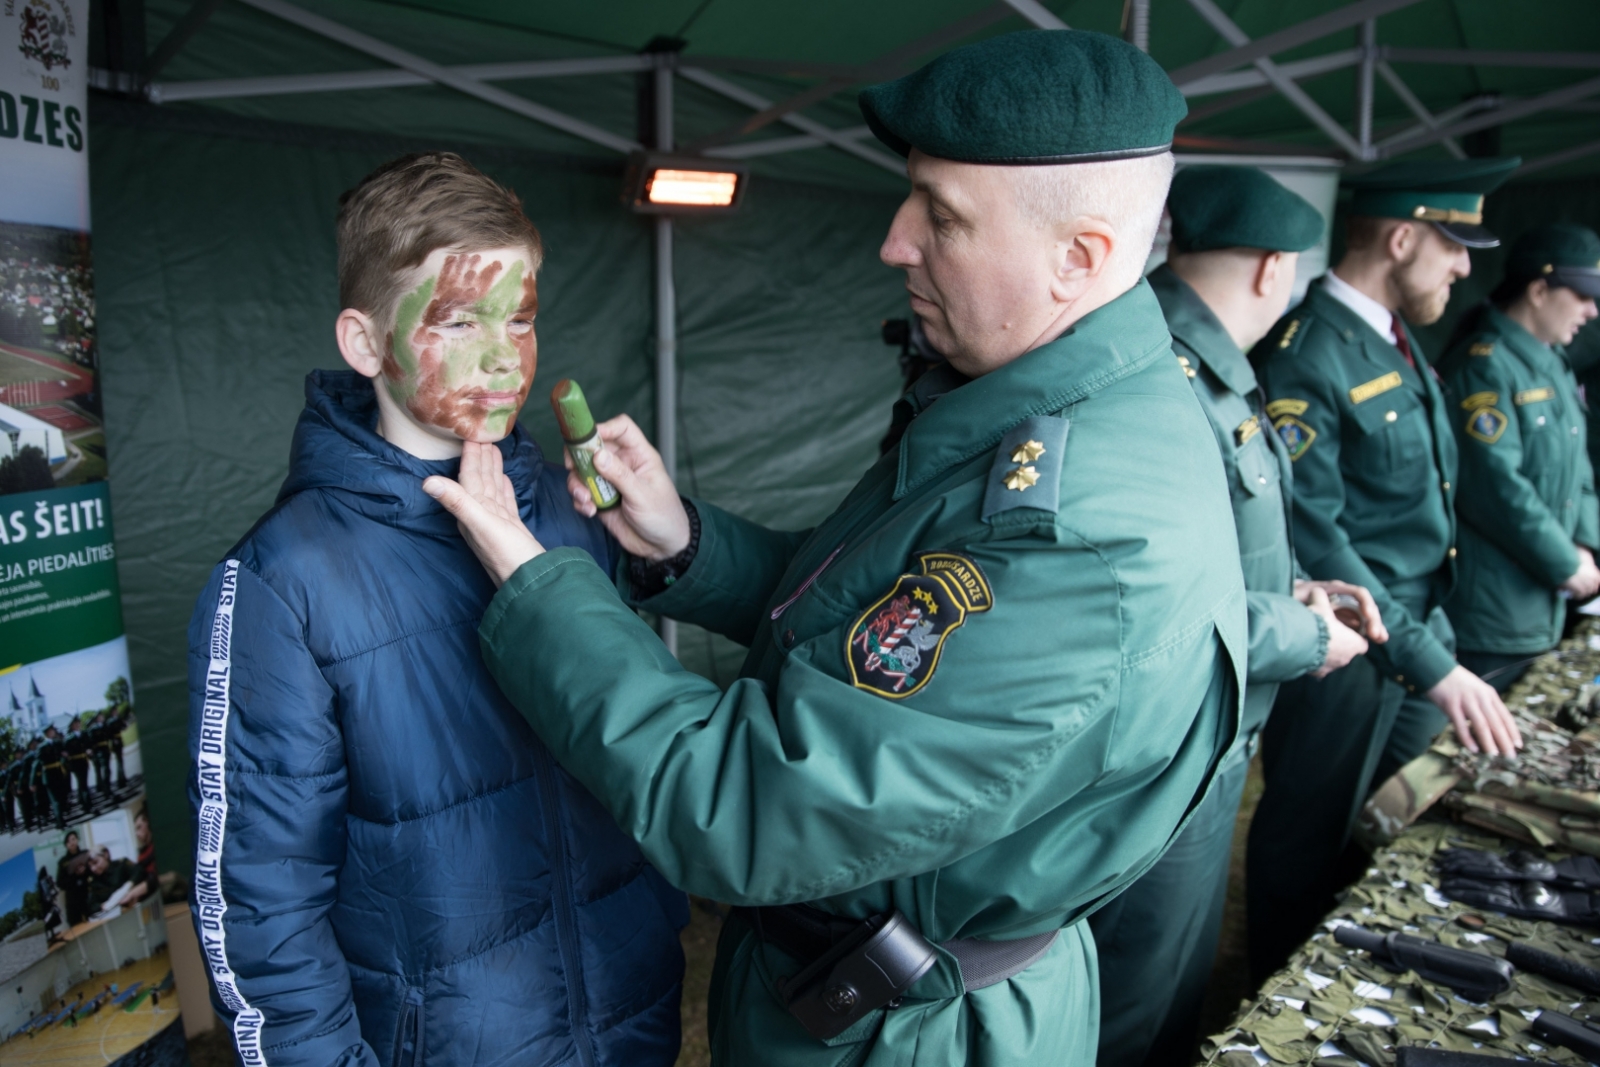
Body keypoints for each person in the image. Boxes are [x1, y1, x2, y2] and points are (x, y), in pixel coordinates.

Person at [426, 30, 1246, 1067]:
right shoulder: (1042, 408)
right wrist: (686, 545)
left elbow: (740, 803)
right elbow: (880, 641)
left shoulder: (1074, 538)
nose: (895, 241)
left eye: (941, 216)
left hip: (907, 1032)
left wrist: (541, 589)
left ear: (1075, 258)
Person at [185, 153, 686, 1067]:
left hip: (631, 1018)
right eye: (459, 320)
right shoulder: (282, 577)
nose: (504, 356)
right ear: (365, 343)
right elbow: (260, 904)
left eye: (523, 318)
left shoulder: (572, 514)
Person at [1090, 166, 1385, 1067]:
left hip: (1208, 744)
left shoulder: (1209, 365)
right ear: (1273, 268)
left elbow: (1212, 555)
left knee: (1172, 995)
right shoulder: (1166, 375)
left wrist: (1291, 593)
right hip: (1162, 752)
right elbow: (1149, 614)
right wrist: (1304, 634)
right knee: (1129, 1012)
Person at [1248, 159, 1526, 981]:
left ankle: (1352, 977)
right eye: (1454, 245)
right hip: (1352, 651)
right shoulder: (1306, 354)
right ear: (1402, 239)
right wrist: (1434, 664)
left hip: (1412, 639)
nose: (1467, 266)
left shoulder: (1392, 339)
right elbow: (1317, 536)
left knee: (1381, 842)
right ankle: (1278, 1003)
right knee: (1305, 843)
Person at [1438, 224, 1600, 690]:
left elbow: (1579, 464)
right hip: (1493, 611)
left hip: (1540, 600)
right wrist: (1566, 563)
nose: (1592, 312)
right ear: (1538, 290)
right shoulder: (1484, 365)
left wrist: (1583, 545)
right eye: (1583, 296)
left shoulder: (1552, 361)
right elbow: (1495, 486)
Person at [56, 828, 92, 925]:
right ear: (66, 845)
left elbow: (93, 870)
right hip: (73, 899)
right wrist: (75, 875)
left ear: (77, 840)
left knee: (93, 919)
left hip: (87, 894)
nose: (71, 842)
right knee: (75, 925)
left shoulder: (85, 853)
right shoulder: (63, 862)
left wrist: (86, 870)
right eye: (68, 841)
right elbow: (60, 883)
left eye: (73, 839)